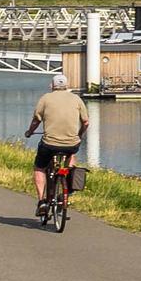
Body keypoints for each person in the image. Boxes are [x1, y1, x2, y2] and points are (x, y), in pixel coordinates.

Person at [27, 74, 90, 203]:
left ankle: (41, 201)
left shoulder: (45, 98)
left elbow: (36, 120)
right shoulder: (76, 99)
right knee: (71, 155)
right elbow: (86, 122)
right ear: (66, 85)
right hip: (71, 143)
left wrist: (29, 132)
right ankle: (69, 184)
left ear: (52, 86)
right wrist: (79, 135)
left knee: (39, 167)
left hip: (49, 144)